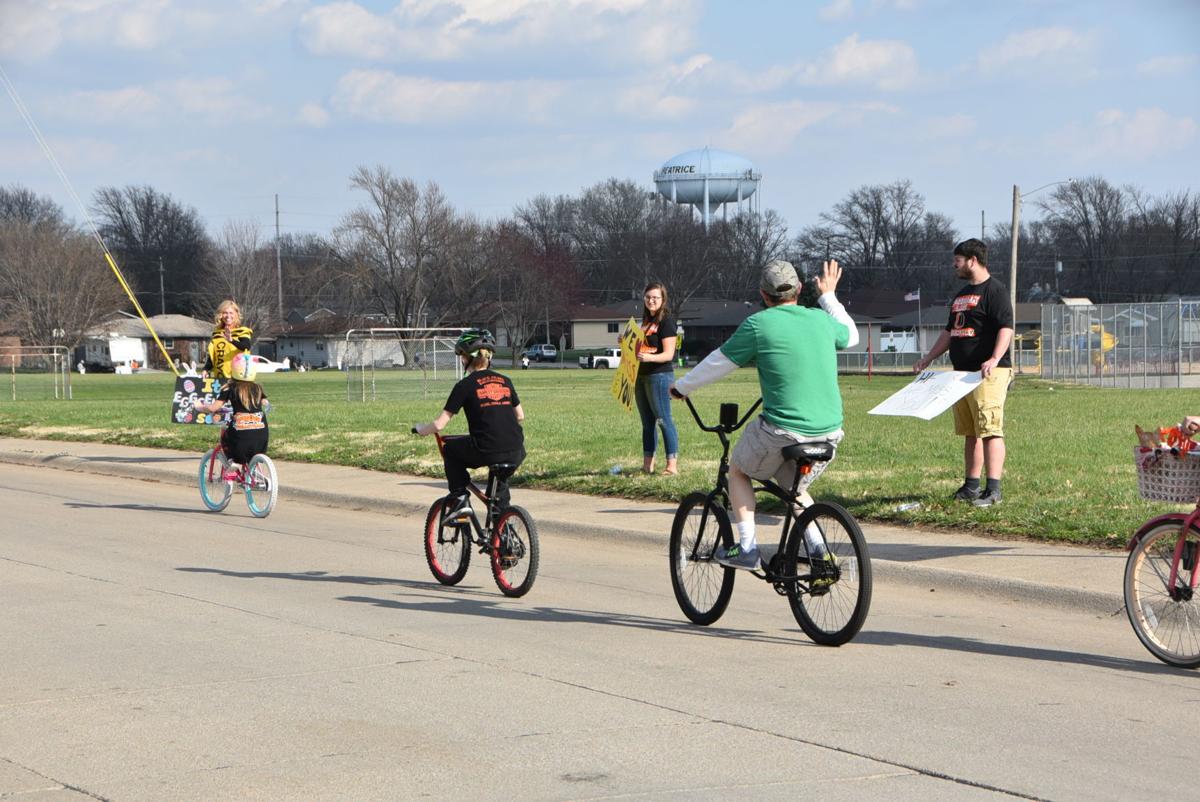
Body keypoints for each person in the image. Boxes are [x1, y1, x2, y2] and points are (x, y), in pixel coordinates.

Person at [670, 260, 858, 570]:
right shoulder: (820, 320)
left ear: (763, 295)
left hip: (783, 431)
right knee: (796, 490)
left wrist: (681, 388)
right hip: (829, 434)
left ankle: (747, 549)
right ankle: (821, 555)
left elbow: (718, 363)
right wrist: (828, 296)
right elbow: (852, 337)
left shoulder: (759, 325)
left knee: (739, 472)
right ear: (799, 290)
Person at [913, 238, 1014, 508]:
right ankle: (971, 486)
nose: (954, 265)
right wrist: (928, 358)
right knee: (970, 432)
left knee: (990, 429)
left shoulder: (995, 291)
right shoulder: (961, 295)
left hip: (988, 373)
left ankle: (993, 490)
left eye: (957, 260)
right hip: (961, 374)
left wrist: (994, 358)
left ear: (972, 260)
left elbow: (1006, 327)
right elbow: (950, 332)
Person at [413, 329, 525, 517]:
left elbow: (440, 425)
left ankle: (459, 499)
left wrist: (421, 429)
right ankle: (502, 532)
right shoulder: (505, 381)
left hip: (486, 448)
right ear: (488, 357)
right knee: (498, 495)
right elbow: (520, 416)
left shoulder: (465, 385)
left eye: (462, 356)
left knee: (450, 450)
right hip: (516, 449)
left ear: (468, 359)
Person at [193, 352, 269, 467]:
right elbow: (265, 403)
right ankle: (255, 471)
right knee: (252, 446)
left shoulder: (230, 388)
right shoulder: (258, 388)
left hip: (240, 435)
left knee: (225, 439)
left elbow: (214, 407)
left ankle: (233, 464)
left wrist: (200, 406)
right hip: (261, 435)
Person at [635, 282, 680, 475]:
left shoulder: (667, 321)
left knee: (664, 420)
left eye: (655, 297)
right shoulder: (644, 322)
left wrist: (649, 357)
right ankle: (648, 465)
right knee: (647, 423)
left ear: (663, 300)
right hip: (641, 376)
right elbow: (639, 349)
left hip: (660, 376)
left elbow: (669, 354)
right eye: (648, 297)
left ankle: (671, 465)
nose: (651, 300)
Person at [204, 299, 254, 380]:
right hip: (219, 378)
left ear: (236, 315)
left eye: (231, 313)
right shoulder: (217, 334)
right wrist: (205, 369)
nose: (228, 316)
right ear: (220, 315)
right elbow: (212, 357)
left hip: (238, 378)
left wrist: (231, 340)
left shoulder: (241, 331)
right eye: (225, 313)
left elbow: (246, 346)